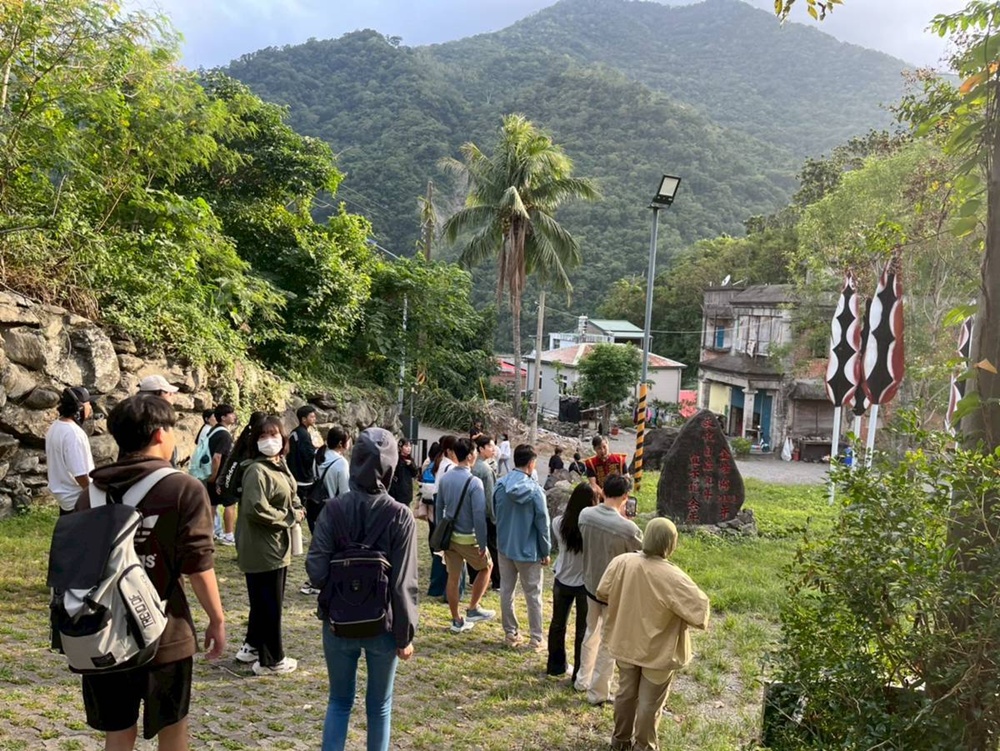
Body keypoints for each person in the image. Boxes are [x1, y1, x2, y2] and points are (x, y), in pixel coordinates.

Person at [76, 394, 225, 750]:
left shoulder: (91, 496)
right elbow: (198, 564)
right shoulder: (183, 488)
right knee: (173, 729)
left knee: (118, 732)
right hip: (166, 633)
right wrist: (216, 619)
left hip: (104, 635)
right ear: (160, 434)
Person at [306, 428, 419, 751]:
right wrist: (405, 635)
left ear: (354, 462)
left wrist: (341, 588)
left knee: (339, 701)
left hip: (338, 622)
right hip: (383, 625)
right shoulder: (401, 516)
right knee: (380, 706)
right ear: (391, 467)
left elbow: (315, 570)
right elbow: (404, 584)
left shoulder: (333, 509)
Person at [597, 518, 710, 751]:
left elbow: (602, 591)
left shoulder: (623, 562)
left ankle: (619, 742)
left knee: (625, 696)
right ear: (671, 543)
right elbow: (700, 613)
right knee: (649, 705)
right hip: (659, 651)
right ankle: (644, 746)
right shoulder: (674, 577)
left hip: (626, 641)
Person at [234, 415, 304, 675]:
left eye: (273, 435)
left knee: (262, 600)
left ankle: (252, 645)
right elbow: (255, 509)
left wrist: (296, 508)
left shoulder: (278, 464)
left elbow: (290, 494)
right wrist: (289, 517)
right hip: (265, 548)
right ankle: (272, 659)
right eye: (263, 436)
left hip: (272, 545)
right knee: (270, 603)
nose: (269, 441)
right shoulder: (257, 470)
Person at [575, 474, 643, 705]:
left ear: (603, 491)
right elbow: (641, 553)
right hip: (614, 591)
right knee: (608, 642)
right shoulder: (628, 528)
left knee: (590, 632)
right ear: (625, 497)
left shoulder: (585, 515)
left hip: (590, 583)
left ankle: (582, 679)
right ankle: (598, 692)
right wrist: (625, 519)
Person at [494, 443, 551, 650]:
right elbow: (543, 525)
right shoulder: (536, 491)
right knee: (533, 596)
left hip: (504, 546)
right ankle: (536, 638)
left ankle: (510, 633)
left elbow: (494, 514)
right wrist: (545, 551)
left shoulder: (500, 485)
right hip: (528, 551)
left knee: (506, 591)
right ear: (531, 463)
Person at [435, 437, 495, 633]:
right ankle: (473, 607)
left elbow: (439, 508)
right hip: (468, 537)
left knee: (453, 577)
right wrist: (483, 542)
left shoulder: (446, 478)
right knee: (487, 567)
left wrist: (439, 532)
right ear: (470, 456)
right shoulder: (474, 482)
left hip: (450, 537)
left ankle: (456, 619)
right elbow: (479, 515)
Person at [547, 483, 599, 681]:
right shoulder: (591, 530)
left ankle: (555, 665)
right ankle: (579, 673)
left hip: (562, 579)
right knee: (582, 631)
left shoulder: (558, 523)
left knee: (557, 624)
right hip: (584, 584)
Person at [45, 387, 95, 515]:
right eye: (89, 404)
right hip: (78, 500)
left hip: (65, 500)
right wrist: (94, 495)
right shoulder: (74, 433)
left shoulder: (55, 426)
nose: (91, 409)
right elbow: (80, 473)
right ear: (80, 408)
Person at [470, 434, 501, 590]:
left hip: (472, 514)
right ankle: (497, 581)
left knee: (474, 546)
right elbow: (490, 497)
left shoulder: (473, 466)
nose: (493, 448)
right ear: (481, 449)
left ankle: (474, 577)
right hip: (486, 515)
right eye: (489, 446)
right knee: (492, 547)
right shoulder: (486, 470)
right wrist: (494, 518)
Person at [206, 404, 237, 545]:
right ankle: (229, 535)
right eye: (230, 414)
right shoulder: (224, 434)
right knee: (229, 504)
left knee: (212, 504)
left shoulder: (213, 430)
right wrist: (217, 476)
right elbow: (217, 457)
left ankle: (209, 532)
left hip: (212, 475)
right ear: (223, 417)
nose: (233, 416)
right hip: (221, 476)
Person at [137, 375, 179, 468]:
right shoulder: (158, 417)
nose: (172, 395)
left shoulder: (132, 411)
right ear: (159, 393)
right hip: (157, 471)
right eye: (169, 392)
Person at [288, 405, 319, 502]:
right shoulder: (304, 434)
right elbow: (308, 456)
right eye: (312, 417)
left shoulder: (295, 432)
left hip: (294, 473)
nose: (314, 419)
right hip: (303, 478)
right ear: (303, 419)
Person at [387, 438, 418, 508]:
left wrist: (411, 465)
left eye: (410, 446)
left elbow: (415, 473)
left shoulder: (410, 460)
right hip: (396, 492)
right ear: (400, 447)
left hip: (406, 492)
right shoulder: (396, 459)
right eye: (406, 446)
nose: (409, 448)